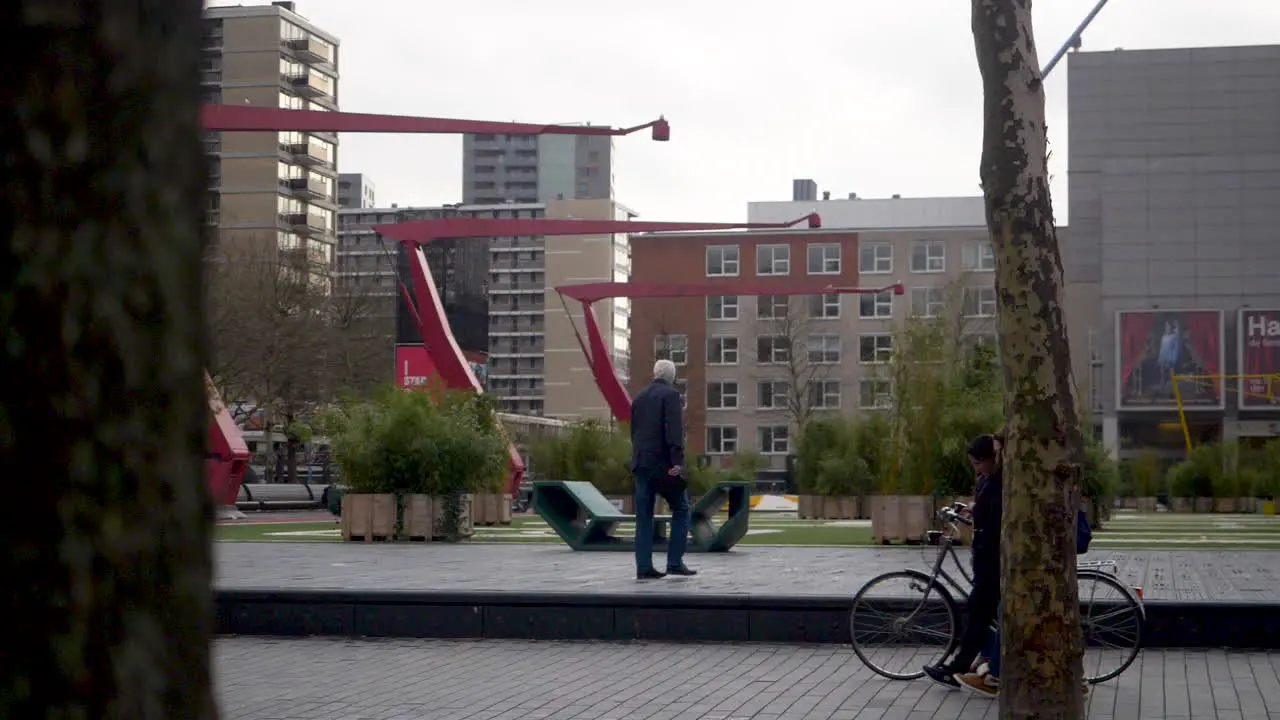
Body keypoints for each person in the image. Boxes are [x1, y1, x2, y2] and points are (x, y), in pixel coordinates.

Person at [923, 433, 1002, 689]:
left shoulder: (1000, 481)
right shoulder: (986, 479)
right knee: (981, 610)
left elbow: (994, 515)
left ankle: (958, 666)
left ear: (992, 459)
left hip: (993, 558)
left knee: (979, 612)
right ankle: (987, 657)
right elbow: (983, 506)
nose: (976, 468)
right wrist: (970, 508)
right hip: (983, 555)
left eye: (979, 463)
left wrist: (975, 513)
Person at [629, 359, 696, 580]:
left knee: (644, 516)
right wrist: (678, 462)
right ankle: (675, 562)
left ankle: (644, 567)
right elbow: (673, 431)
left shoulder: (638, 397)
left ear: (655, 373)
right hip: (664, 465)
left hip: (641, 463)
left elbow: (634, 432)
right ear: (672, 377)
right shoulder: (671, 396)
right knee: (681, 508)